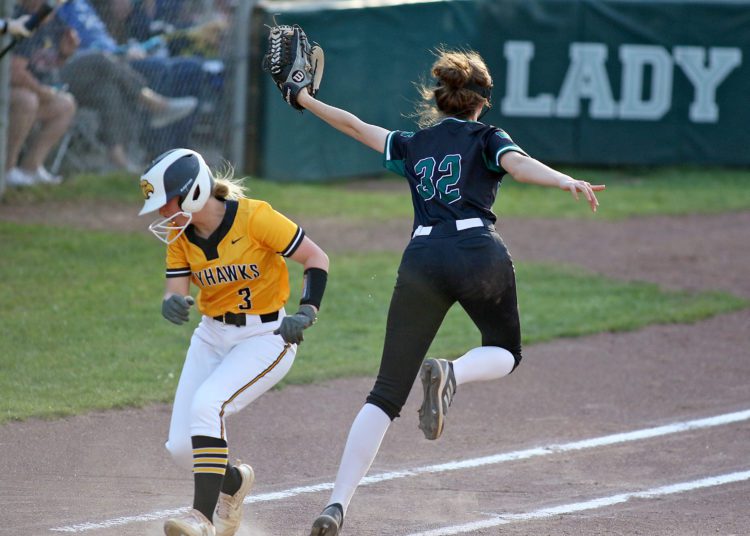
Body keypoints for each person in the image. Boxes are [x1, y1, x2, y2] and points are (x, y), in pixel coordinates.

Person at [288, 48, 605, 535]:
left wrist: (306, 98)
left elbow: (354, 126)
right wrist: (566, 180)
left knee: (385, 394)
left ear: (439, 99)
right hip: (478, 253)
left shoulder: (415, 143)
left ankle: (336, 506)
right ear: (482, 102)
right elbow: (518, 166)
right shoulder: (487, 137)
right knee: (504, 351)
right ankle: (452, 372)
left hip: (423, 259)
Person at [137, 148, 329, 536]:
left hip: (266, 335)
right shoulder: (181, 237)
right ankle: (234, 484)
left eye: (166, 202)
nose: (162, 213)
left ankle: (201, 518)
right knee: (180, 448)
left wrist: (307, 311)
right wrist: (171, 303)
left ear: (192, 192)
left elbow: (316, 257)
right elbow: (175, 287)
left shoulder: (255, 217)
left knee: (209, 405)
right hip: (211, 334)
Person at [6, 8, 76, 187]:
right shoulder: (22, 22)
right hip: (8, 92)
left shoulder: (55, 24)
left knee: (65, 104)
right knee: (27, 100)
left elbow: (48, 64)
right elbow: (14, 72)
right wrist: (40, 91)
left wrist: (65, 54)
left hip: (33, 91)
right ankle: (7, 169)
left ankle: (31, 168)